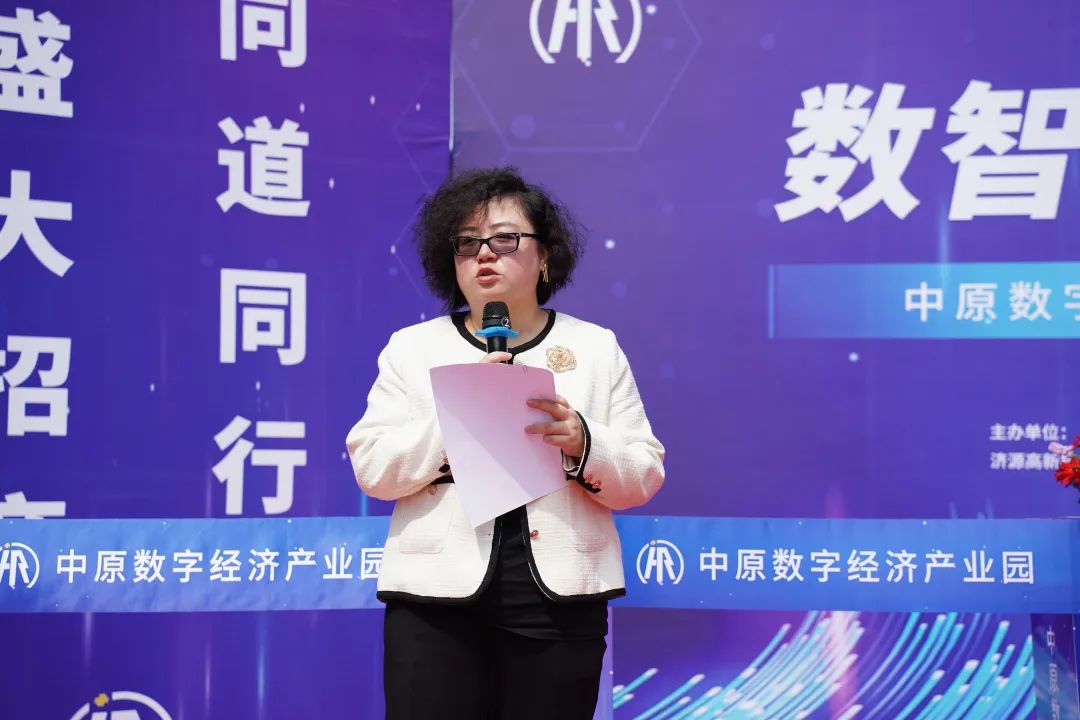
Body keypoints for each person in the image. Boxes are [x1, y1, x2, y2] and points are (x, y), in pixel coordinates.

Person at [345, 167, 665, 719]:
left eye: (504, 239)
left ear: (545, 257)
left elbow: (644, 474)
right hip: (435, 600)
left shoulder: (594, 348)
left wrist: (583, 442)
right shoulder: (412, 349)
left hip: (558, 599)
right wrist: (457, 423)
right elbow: (373, 468)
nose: (484, 255)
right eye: (467, 243)